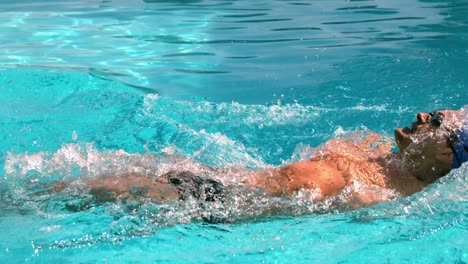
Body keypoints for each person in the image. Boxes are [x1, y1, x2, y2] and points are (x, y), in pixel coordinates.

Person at [54, 109, 468, 213]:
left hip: (208, 198)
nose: (421, 116)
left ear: (447, 154)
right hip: (218, 180)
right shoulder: (382, 151)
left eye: (434, 121)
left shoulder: (362, 189)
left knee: (78, 188)